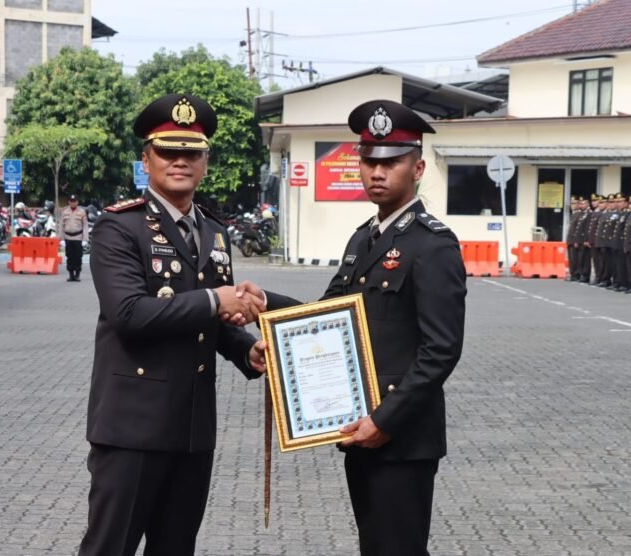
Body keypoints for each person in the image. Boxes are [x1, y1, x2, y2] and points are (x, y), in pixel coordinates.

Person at [246, 99, 467, 556]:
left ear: (418, 167)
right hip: (359, 431)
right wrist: (268, 308)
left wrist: (384, 422)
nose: (377, 172)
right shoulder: (364, 238)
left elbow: (441, 350)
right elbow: (329, 316)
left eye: (392, 162)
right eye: (368, 161)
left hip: (401, 437)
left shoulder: (433, 245)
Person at [79, 93, 268, 556]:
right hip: (132, 428)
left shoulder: (214, 232)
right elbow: (129, 314)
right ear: (147, 159)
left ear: (205, 162)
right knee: (110, 547)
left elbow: (215, 322)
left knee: (175, 547)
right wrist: (212, 298)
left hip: (192, 428)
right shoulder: (118, 228)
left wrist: (247, 350)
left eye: (192, 152)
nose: (180, 161)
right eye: (168, 151)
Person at [58, 194, 88, 282]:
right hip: (68, 237)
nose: (73, 203)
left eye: (74, 201)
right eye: (71, 201)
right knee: (69, 256)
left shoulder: (82, 212)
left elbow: (85, 226)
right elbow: (61, 226)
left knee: (78, 257)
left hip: (78, 237)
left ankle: (77, 274)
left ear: (77, 202)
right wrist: (61, 238)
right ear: (69, 202)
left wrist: (85, 239)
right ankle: (71, 274)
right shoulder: (64, 212)